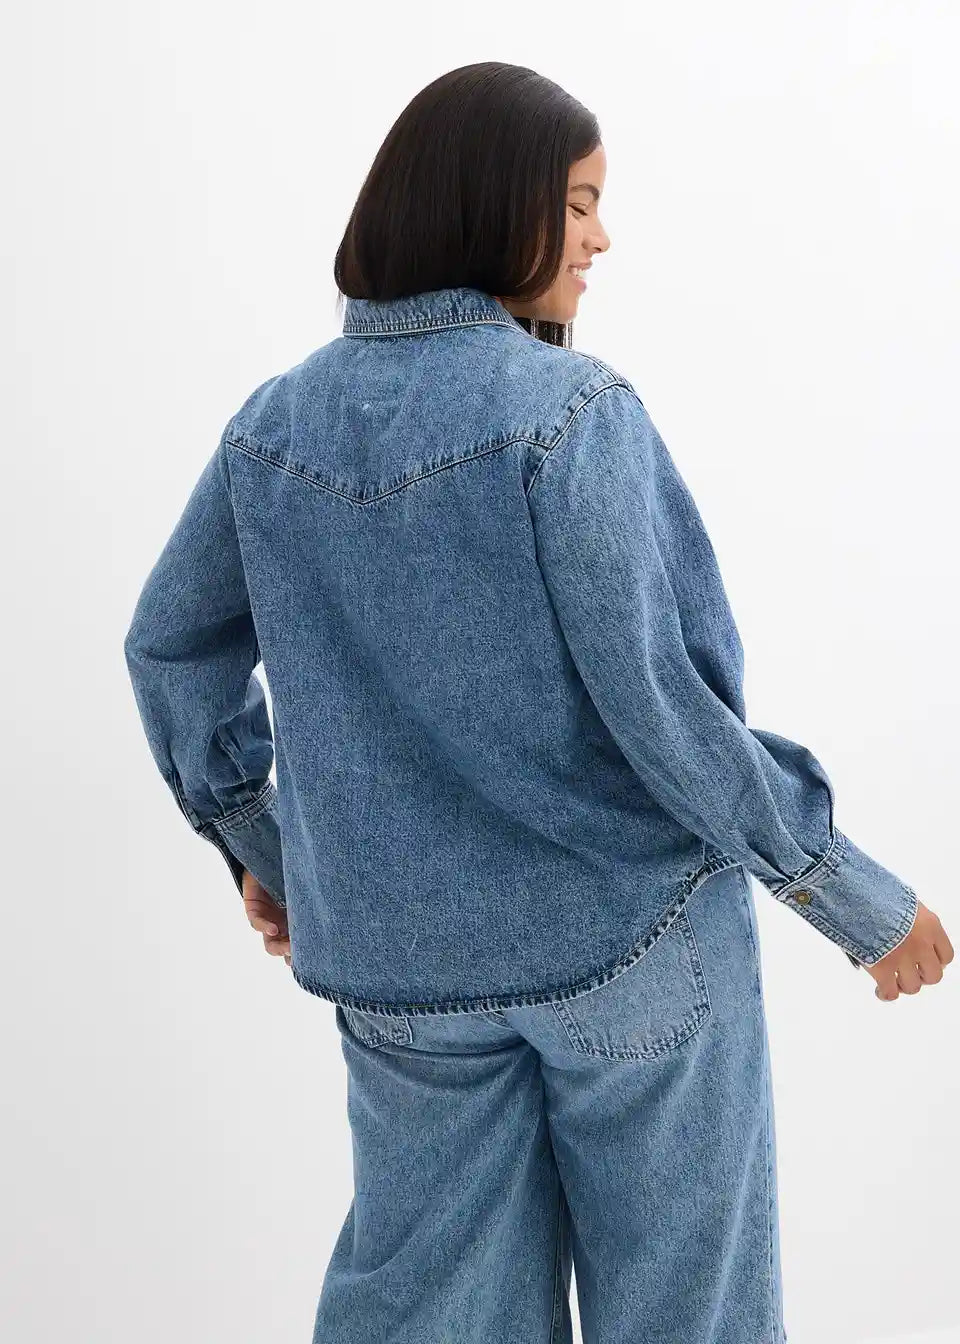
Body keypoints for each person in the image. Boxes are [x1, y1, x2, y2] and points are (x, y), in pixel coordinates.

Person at [123, 60, 953, 1344]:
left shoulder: (272, 428)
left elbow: (169, 651)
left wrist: (273, 854)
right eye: (577, 204)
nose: (600, 238)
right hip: (631, 950)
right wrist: (850, 897)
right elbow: (665, 709)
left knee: (429, 1316)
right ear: (491, 198)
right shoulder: (570, 413)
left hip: (402, 976)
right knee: (686, 1319)